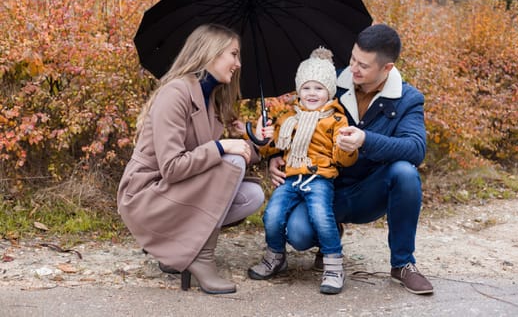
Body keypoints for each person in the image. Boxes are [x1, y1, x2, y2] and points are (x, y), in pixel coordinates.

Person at [268, 24, 434, 295]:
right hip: (322, 188)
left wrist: (365, 140)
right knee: (297, 235)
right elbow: (297, 118)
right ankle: (330, 232)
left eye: (363, 66)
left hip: (370, 191)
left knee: (405, 172)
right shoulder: (331, 82)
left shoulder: (408, 99)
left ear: (386, 68)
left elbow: (416, 149)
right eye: (353, 58)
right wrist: (275, 156)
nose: (353, 68)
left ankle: (403, 264)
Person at [117, 24, 265, 295]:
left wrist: (253, 140)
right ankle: (200, 257)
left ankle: (178, 249)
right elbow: (173, 168)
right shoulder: (176, 93)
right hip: (147, 194)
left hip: (176, 192)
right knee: (231, 163)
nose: (238, 63)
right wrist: (221, 146)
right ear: (211, 53)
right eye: (233, 54)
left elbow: (221, 158)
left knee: (252, 195)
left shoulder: (211, 99)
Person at [248, 48, 358, 294]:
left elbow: (344, 160)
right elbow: (272, 148)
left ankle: (333, 264)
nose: (311, 93)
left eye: (319, 88)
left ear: (329, 91)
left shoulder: (336, 120)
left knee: (321, 216)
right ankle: (276, 255)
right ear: (299, 89)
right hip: (290, 177)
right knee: (272, 215)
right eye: (306, 87)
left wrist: (346, 148)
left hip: (319, 178)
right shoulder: (288, 118)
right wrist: (261, 138)